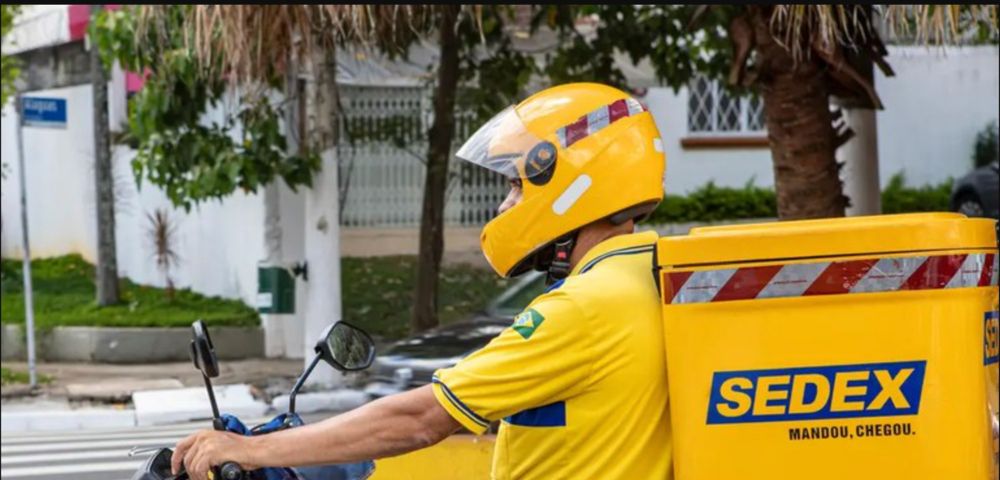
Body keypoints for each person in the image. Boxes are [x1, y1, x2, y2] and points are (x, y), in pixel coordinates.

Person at [172, 82, 673, 480]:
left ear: (570, 184)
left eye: (517, 186)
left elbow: (422, 418)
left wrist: (253, 448)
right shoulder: (650, 275)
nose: (504, 207)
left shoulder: (583, 309)